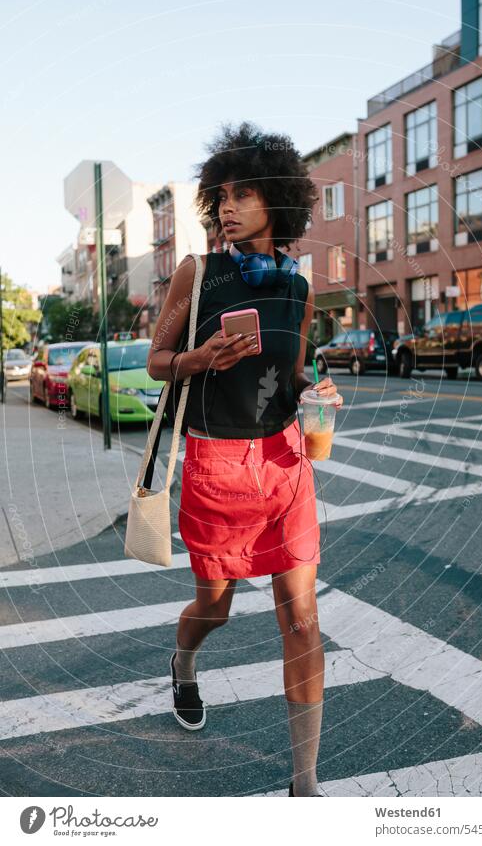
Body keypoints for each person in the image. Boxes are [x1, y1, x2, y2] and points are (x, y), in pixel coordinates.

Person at [147, 121, 343, 797]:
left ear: (277, 201)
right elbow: (155, 360)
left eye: (244, 193)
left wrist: (314, 393)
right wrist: (195, 360)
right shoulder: (197, 273)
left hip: (285, 464)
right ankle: (184, 658)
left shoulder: (299, 286)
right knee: (215, 607)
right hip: (215, 468)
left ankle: (305, 784)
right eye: (221, 194)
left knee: (300, 617)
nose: (227, 206)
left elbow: (290, 376)